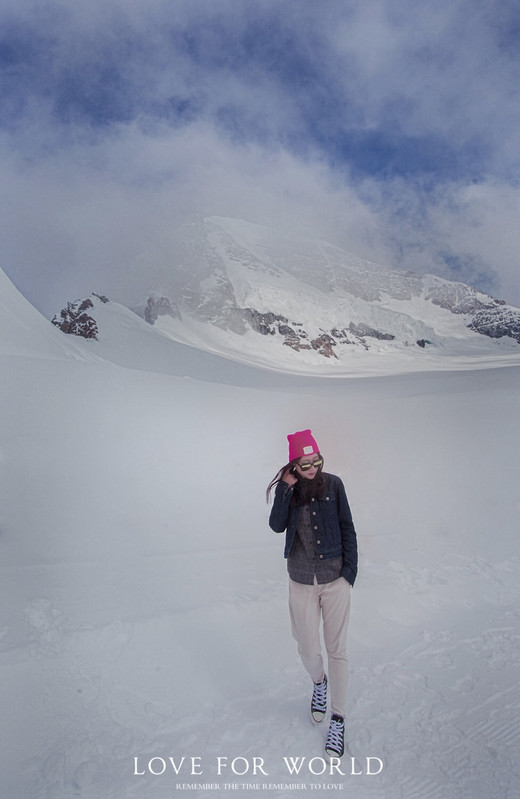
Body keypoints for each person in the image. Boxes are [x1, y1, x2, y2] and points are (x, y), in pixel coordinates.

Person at [267, 429, 357, 758]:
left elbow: (347, 525)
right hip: (301, 580)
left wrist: (349, 574)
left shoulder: (334, 484)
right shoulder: (287, 488)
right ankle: (319, 683)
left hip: (335, 579)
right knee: (307, 646)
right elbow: (277, 526)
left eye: (316, 461)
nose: (313, 468)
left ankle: (338, 718)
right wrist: (285, 490)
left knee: (338, 650)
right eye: (305, 463)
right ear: (294, 463)